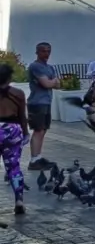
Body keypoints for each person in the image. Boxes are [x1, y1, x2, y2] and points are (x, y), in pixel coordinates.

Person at [0, 63, 29, 215]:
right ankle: (19, 200)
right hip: (12, 130)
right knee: (13, 167)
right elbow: (22, 116)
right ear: (10, 77)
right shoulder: (18, 93)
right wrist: (25, 133)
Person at [25, 42, 58, 170]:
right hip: (37, 103)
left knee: (43, 130)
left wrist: (52, 82)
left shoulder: (50, 68)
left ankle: (38, 157)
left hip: (46, 102)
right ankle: (34, 160)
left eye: (48, 51)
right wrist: (52, 82)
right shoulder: (35, 66)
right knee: (38, 130)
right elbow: (47, 84)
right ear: (37, 52)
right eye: (43, 51)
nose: (46, 54)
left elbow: (57, 84)